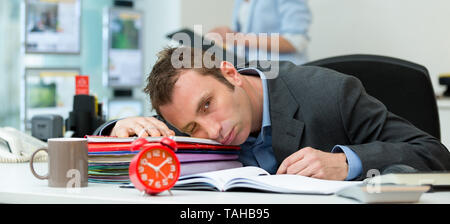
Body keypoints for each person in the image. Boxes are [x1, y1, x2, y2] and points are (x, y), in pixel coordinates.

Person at [95, 46, 450, 181]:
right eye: (192, 127)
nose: (212, 130)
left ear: (231, 74)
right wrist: (116, 130)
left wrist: (346, 162)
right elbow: (122, 150)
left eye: (208, 105)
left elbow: (433, 154)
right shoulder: (191, 122)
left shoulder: (330, 93)